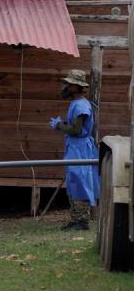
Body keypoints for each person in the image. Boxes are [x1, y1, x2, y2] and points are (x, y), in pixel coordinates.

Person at [50, 70, 100, 231]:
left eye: (69, 84)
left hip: (80, 148)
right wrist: (64, 123)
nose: (65, 87)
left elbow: (76, 130)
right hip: (74, 146)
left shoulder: (82, 105)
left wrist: (59, 125)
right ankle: (75, 218)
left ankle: (82, 221)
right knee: (73, 181)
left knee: (80, 181)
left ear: (76, 87)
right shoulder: (76, 103)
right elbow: (74, 127)